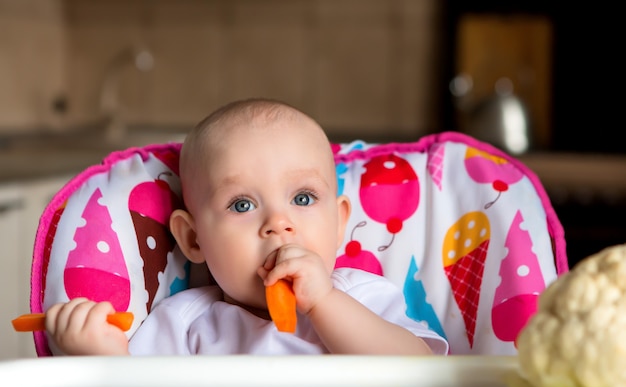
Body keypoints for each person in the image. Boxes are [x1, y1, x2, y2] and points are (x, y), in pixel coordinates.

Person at [45, 98, 449, 356]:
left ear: (340, 222)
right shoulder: (185, 324)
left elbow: (417, 370)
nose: (278, 224)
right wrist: (102, 360)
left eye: (303, 199)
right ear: (193, 238)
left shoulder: (359, 299)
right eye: (242, 204)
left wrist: (324, 303)